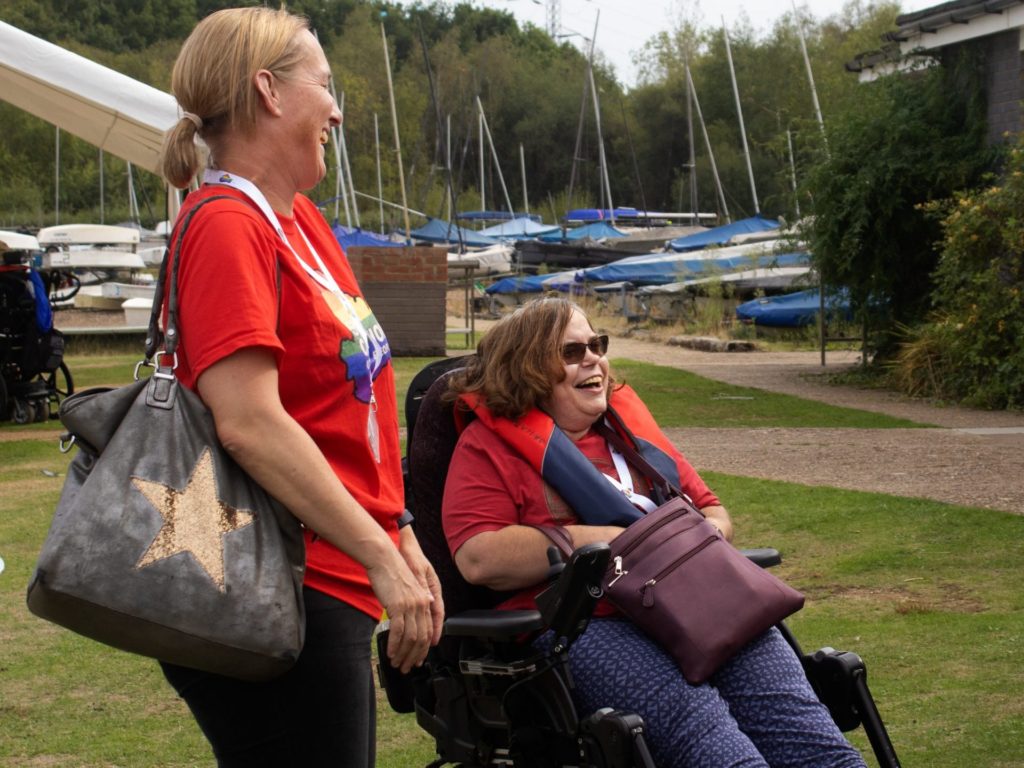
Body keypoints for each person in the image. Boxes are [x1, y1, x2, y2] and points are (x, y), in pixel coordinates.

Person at [158, 8, 443, 767]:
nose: (337, 110)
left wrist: (401, 530)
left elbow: (352, 411)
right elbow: (249, 421)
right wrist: (378, 556)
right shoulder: (226, 225)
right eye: (325, 85)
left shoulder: (302, 222)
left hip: (330, 576)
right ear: (269, 92)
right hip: (276, 584)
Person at [441, 296, 867, 768]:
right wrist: (598, 541)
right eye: (570, 352)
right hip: (589, 622)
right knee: (713, 744)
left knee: (808, 735)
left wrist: (695, 543)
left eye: (596, 345)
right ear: (526, 369)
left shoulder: (630, 437)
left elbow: (713, 511)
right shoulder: (490, 447)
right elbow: (478, 557)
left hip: (694, 600)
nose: (593, 359)